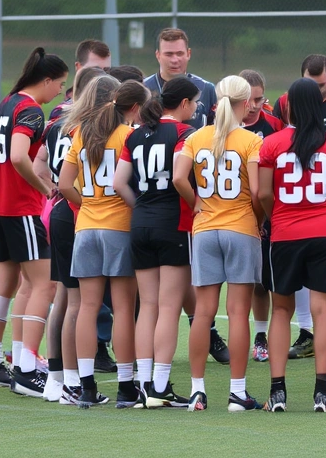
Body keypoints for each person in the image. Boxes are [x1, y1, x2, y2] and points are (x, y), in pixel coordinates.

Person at [173, 75, 265, 412]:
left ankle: (197, 390)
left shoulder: (197, 137)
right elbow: (257, 192)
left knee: (203, 314)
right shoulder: (250, 141)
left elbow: (178, 177)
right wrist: (260, 218)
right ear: (245, 103)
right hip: (240, 227)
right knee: (238, 312)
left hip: (205, 229)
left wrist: (196, 202)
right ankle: (237, 392)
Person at [258, 77, 326, 412]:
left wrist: (275, 215)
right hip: (324, 231)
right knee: (322, 310)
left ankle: (278, 391)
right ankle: (322, 393)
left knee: (281, 310)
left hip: (285, 233)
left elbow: (264, 193)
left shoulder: (272, 144)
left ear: (289, 106)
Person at [0, 48, 68, 397]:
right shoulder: (31, 110)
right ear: (45, 80)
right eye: (59, 84)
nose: (60, 91)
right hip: (22, 208)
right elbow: (17, 154)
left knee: (9, 282)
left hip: (0, 205)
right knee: (43, 284)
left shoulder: (9, 101)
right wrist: (44, 187)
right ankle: (27, 370)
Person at [59, 76, 149, 408]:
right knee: (125, 307)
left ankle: (86, 387)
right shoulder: (128, 135)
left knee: (86, 306)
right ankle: (127, 386)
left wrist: (89, 205)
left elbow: (65, 184)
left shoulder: (82, 133)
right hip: (119, 227)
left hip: (86, 228)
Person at [142, 27, 229, 363]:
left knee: (190, 275)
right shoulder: (145, 90)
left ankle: (204, 332)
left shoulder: (206, 89)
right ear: (158, 55)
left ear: (189, 53)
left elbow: (214, 137)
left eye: (180, 52)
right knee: (153, 289)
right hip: (157, 194)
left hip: (193, 193)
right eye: (168, 53)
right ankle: (151, 358)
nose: (175, 58)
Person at [114, 76, 199, 408]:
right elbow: (180, 177)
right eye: (194, 103)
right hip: (171, 222)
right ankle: (160, 386)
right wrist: (196, 204)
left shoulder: (134, 135)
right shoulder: (182, 133)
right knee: (168, 307)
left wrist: (142, 208)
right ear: (184, 104)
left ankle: (144, 383)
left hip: (141, 222)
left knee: (146, 306)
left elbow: (120, 182)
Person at [29, 66, 108, 402]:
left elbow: (38, 166)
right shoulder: (94, 129)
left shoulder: (57, 123)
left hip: (61, 209)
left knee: (63, 296)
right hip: (80, 210)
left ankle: (57, 379)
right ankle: (73, 382)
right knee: (77, 301)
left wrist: (51, 191)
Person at [272, 55, 326, 361]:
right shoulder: (283, 104)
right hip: (314, 207)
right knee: (308, 278)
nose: (319, 90)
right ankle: (307, 333)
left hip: (316, 206)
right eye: (313, 84)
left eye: (323, 84)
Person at [238, 69, 284, 363]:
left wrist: (269, 214)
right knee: (246, 281)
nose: (254, 105)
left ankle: (263, 333)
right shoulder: (221, 127)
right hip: (235, 214)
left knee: (267, 279)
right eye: (248, 100)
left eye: (258, 99)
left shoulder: (275, 126)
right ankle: (247, 333)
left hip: (267, 213)